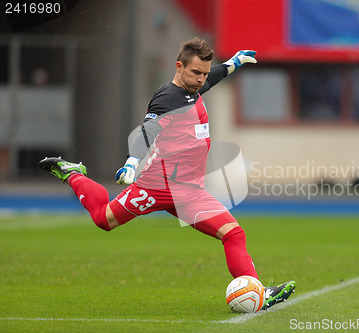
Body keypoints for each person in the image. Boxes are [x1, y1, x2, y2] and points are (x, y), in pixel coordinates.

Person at [39, 37, 295, 311]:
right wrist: (132, 161)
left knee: (233, 234)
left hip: (189, 191)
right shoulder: (167, 98)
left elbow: (213, 78)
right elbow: (147, 132)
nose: (201, 79)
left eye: (204, 73)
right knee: (104, 219)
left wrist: (233, 63)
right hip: (156, 187)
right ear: (179, 67)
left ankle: (259, 292)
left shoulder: (194, 88)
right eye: (196, 73)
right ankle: (74, 174)